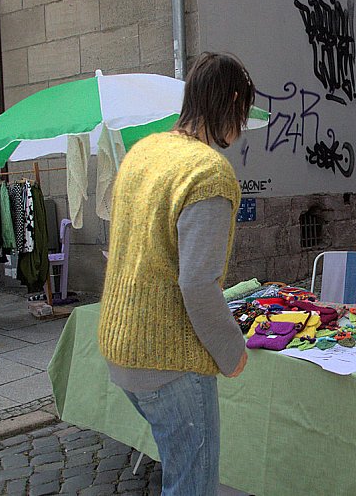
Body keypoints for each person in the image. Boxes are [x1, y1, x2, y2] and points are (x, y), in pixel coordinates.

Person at [98, 52, 252, 496]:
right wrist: (231, 351)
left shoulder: (144, 151)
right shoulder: (208, 172)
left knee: (181, 469)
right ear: (234, 103)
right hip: (169, 359)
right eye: (240, 115)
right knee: (193, 485)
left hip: (121, 345)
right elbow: (198, 284)